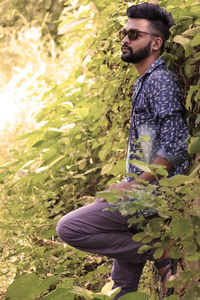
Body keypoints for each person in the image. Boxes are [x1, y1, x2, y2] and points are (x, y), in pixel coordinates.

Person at [56, 3, 188, 299]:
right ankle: (155, 255)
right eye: (124, 33)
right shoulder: (145, 81)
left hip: (156, 196)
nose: (125, 39)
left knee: (69, 228)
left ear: (156, 43)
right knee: (121, 290)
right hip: (142, 192)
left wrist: (132, 187)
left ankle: (157, 249)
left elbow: (177, 146)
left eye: (134, 34)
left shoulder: (161, 82)